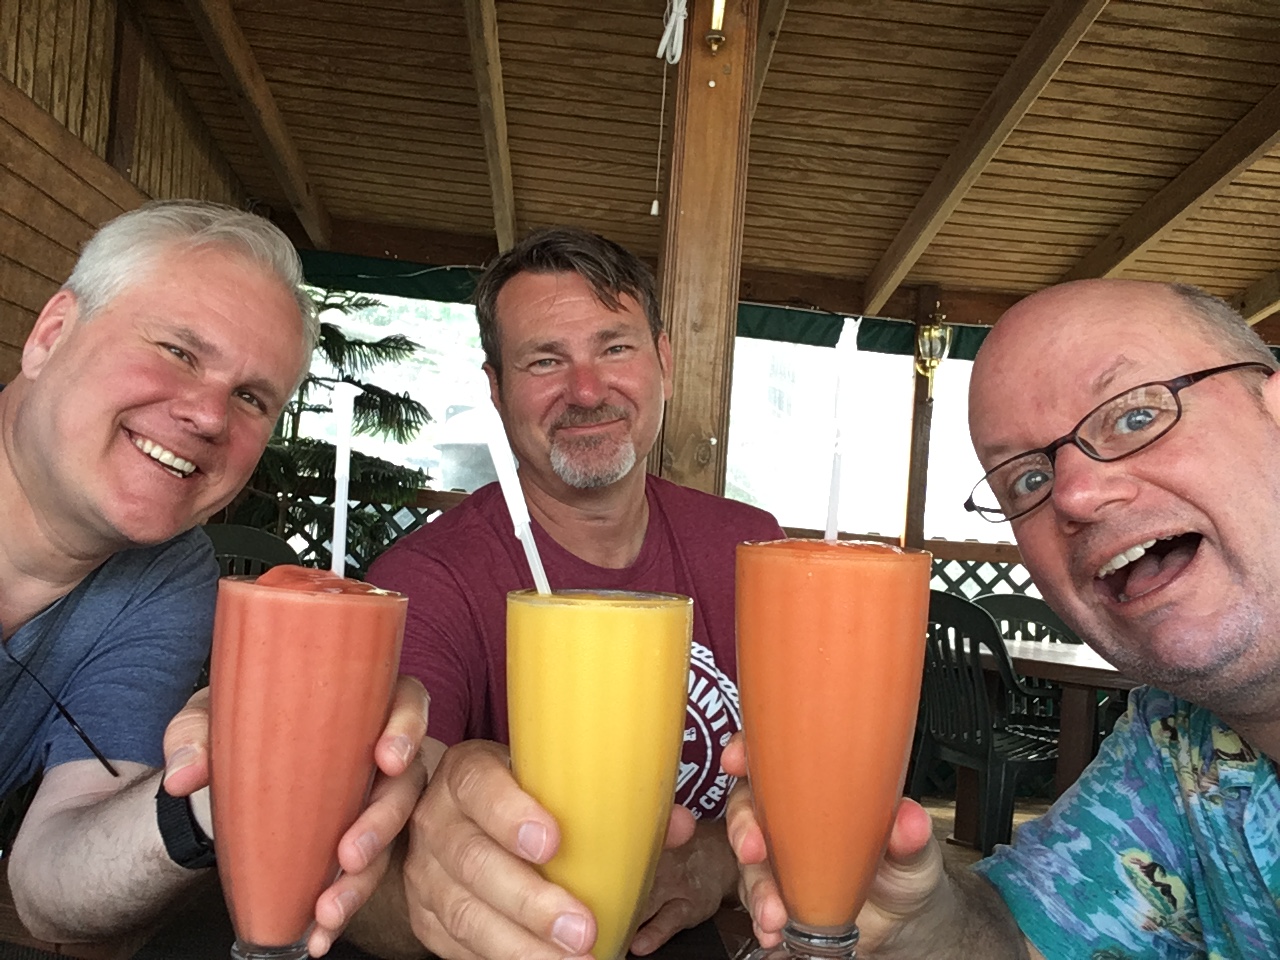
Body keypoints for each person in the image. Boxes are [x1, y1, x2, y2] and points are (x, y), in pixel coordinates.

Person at [724, 278, 1280, 959]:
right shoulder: (1172, 744)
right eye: (1026, 480)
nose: (1073, 494)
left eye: (1135, 417)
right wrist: (917, 921)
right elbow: (1020, 939)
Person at [0, 200, 428, 956]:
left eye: (253, 397)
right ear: (51, 334)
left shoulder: (166, 571)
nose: (207, 415)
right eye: (178, 351)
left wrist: (237, 776)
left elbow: (51, 886)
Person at [362, 226, 785, 959]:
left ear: (664, 363)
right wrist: (432, 898)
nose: (586, 391)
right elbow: (372, 870)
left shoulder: (753, 547)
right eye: (545, 361)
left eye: (614, 348)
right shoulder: (424, 581)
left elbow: (807, 788)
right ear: (496, 390)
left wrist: (717, 856)